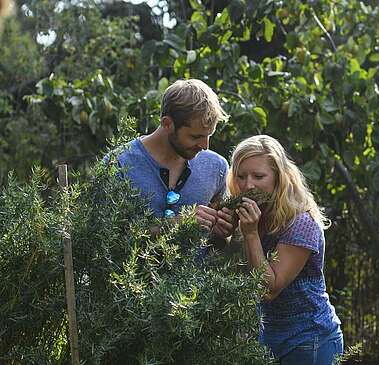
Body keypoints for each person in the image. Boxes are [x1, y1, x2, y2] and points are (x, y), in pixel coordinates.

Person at [227, 135, 343, 364]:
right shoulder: (255, 216)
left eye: (258, 176)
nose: (248, 185)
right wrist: (224, 233)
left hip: (309, 340)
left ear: (279, 177)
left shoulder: (301, 222)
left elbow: (270, 289)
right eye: (241, 176)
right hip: (269, 338)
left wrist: (249, 234)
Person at [106, 79, 234, 241]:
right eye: (196, 136)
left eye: (209, 135)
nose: (205, 146)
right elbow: (103, 240)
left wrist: (221, 232)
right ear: (167, 124)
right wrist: (175, 224)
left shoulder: (217, 167)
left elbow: (218, 246)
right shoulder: (118, 164)